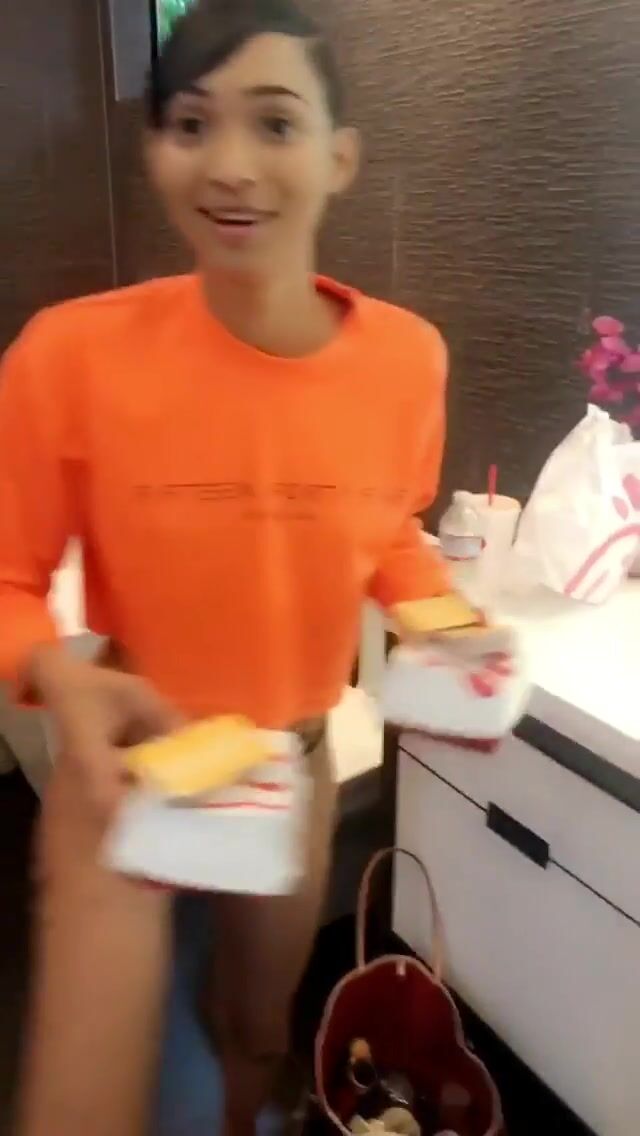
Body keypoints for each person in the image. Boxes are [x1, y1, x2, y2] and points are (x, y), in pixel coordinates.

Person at [0, 2, 455, 1134]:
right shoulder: (70, 354)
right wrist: (53, 675)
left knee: (257, 1031)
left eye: (275, 123)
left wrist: (450, 631)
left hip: (290, 764)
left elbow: (388, 529)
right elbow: (5, 579)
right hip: (130, 767)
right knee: (136, 1086)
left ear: (339, 157)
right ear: (156, 150)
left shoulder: (406, 361)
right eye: (192, 124)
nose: (231, 165)